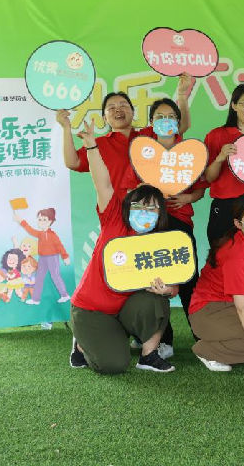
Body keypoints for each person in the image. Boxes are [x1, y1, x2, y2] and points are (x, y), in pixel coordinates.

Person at [68, 121, 178, 374]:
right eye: (139, 205)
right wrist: (91, 145)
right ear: (128, 205)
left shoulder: (161, 241)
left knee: (157, 301)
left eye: (152, 208)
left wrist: (166, 290)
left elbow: (174, 285)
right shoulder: (113, 218)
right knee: (113, 364)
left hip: (126, 310)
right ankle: (81, 344)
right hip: (92, 309)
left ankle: (148, 356)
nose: (145, 212)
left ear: (160, 214)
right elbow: (103, 183)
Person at [134, 97, 207, 357]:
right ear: (151, 122)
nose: (166, 121)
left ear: (178, 122)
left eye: (171, 117)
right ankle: (163, 341)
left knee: (187, 280)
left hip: (180, 221)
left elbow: (200, 189)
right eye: (160, 117)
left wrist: (187, 197)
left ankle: (203, 337)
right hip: (150, 223)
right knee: (154, 280)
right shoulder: (143, 151)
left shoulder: (188, 151)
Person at [58, 75, 192, 211]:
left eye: (123, 105)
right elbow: (73, 162)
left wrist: (181, 95)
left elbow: (181, 127)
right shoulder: (98, 144)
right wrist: (66, 128)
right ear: (104, 118)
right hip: (117, 212)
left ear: (133, 112)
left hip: (150, 212)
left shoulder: (148, 135)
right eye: (111, 108)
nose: (118, 110)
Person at [188, 194, 244, 374]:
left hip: (232, 301)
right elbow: (243, 307)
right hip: (209, 312)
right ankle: (206, 350)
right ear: (239, 224)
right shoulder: (235, 254)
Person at [203, 83, 244, 245]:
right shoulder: (216, 135)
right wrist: (220, 157)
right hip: (226, 206)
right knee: (222, 254)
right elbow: (209, 178)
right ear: (234, 106)